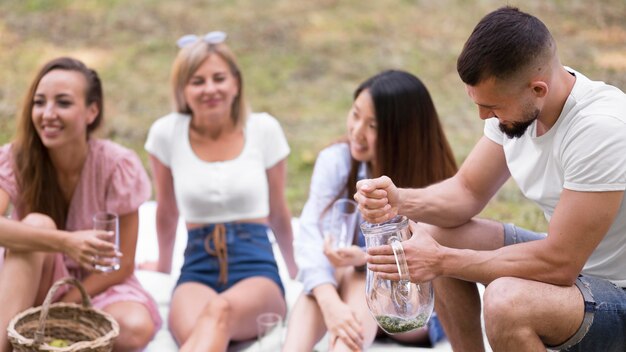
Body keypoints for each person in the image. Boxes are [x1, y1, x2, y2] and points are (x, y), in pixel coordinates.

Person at [354, 6, 626, 352]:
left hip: (616, 290)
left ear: (537, 90)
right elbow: (466, 192)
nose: (484, 116)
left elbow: (560, 264)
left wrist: (441, 260)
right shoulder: (518, 108)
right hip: (577, 268)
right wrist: (400, 199)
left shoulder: (600, 129)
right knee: (440, 234)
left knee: (506, 302)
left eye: (493, 107)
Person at [144, 31, 297, 352]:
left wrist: (295, 268)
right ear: (183, 90)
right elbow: (167, 210)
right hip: (197, 267)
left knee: (218, 313)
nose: (210, 89)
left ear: (236, 83)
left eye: (219, 78)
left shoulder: (263, 129)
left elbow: (279, 211)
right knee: (206, 331)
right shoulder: (166, 133)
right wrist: (162, 265)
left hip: (255, 266)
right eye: (197, 81)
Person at [283, 70, 456, 352]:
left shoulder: (431, 182)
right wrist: (330, 305)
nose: (356, 131)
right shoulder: (338, 160)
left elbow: (434, 262)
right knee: (328, 280)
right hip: (356, 299)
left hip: (414, 308)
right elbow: (311, 236)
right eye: (355, 114)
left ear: (403, 133)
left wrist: (365, 257)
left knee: (359, 272)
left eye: (373, 125)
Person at [0, 57, 161, 352]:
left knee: (135, 327)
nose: (48, 114)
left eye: (63, 103)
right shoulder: (15, 158)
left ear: (92, 111)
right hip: (33, 278)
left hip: (95, 287)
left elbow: (123, 264)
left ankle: (42, 333)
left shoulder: (116, 165)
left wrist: (65, 306)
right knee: (38, 223)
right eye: (39, 102)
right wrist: (65, 242)